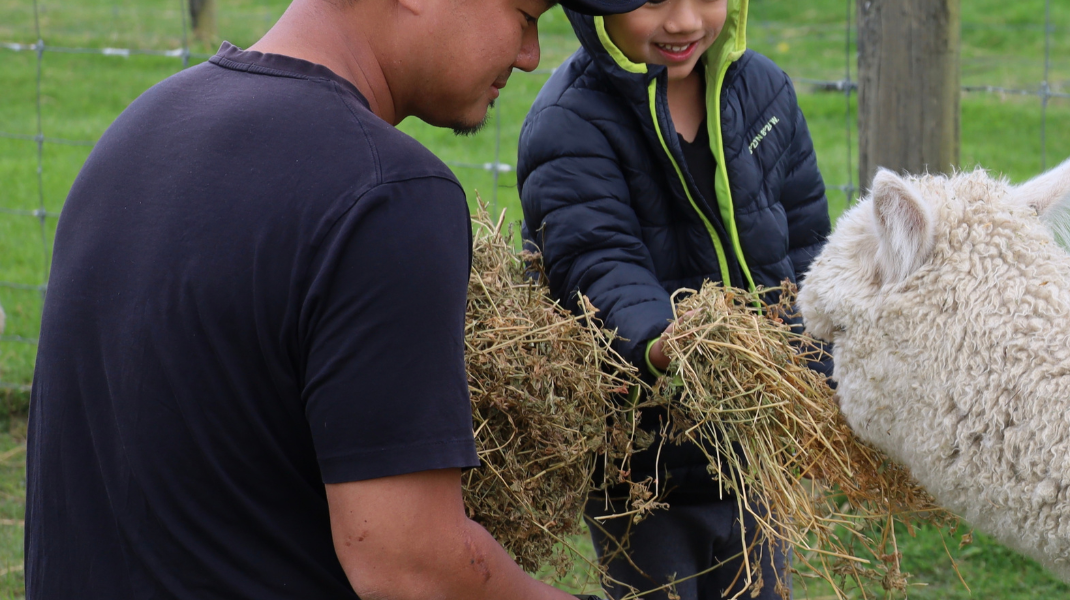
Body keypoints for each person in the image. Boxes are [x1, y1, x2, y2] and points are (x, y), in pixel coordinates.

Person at [23, 0, 649, 598]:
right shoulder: (385, 194)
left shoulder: (140, 130)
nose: (531, 56)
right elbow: (409, 565)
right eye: (524, 17)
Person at [515, 0, 830, 597]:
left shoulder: (764, 92)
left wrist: (823, 373)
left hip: (755, 453)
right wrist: (668, 344)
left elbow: (809, 243)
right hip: (644, 469)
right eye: (652, 0)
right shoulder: (569, 123)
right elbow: (597, 261)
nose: (685, 22)